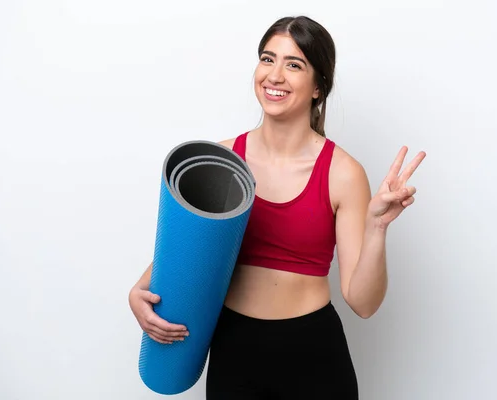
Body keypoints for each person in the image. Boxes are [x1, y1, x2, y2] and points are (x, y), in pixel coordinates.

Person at [129, 15, 425, 399]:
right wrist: (139, 294)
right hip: (233, 351)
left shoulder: (343, 173)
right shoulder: (222, 160)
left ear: (319, 87)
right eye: (268, 59)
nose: (275, 75)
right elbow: (183, 255)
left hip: (313, 356)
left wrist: (377, 228)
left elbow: (363, 303)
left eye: (294, 64)